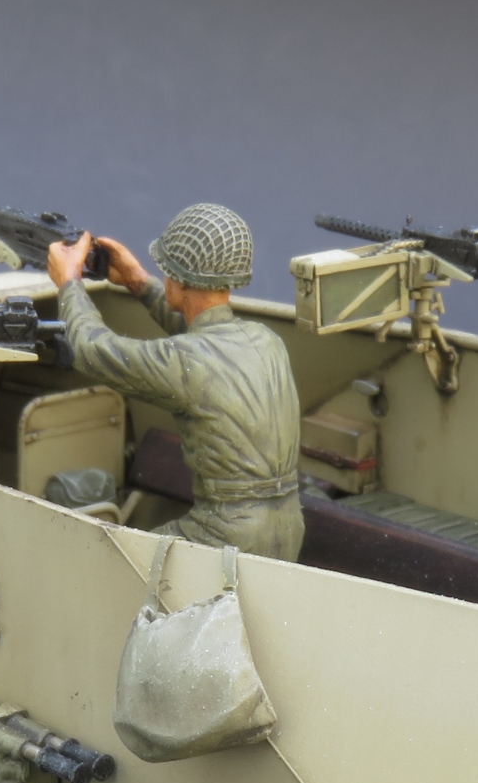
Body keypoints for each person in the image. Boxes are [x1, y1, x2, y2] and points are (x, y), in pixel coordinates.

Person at [46, 205, 304, 561]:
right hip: (289, 526)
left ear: (179, 281)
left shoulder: (187, 361)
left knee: (116, 566)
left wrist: (70, 284)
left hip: (226, 536)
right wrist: (138, 281)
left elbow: (89, 349)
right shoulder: (266, 341)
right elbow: (204, 341)